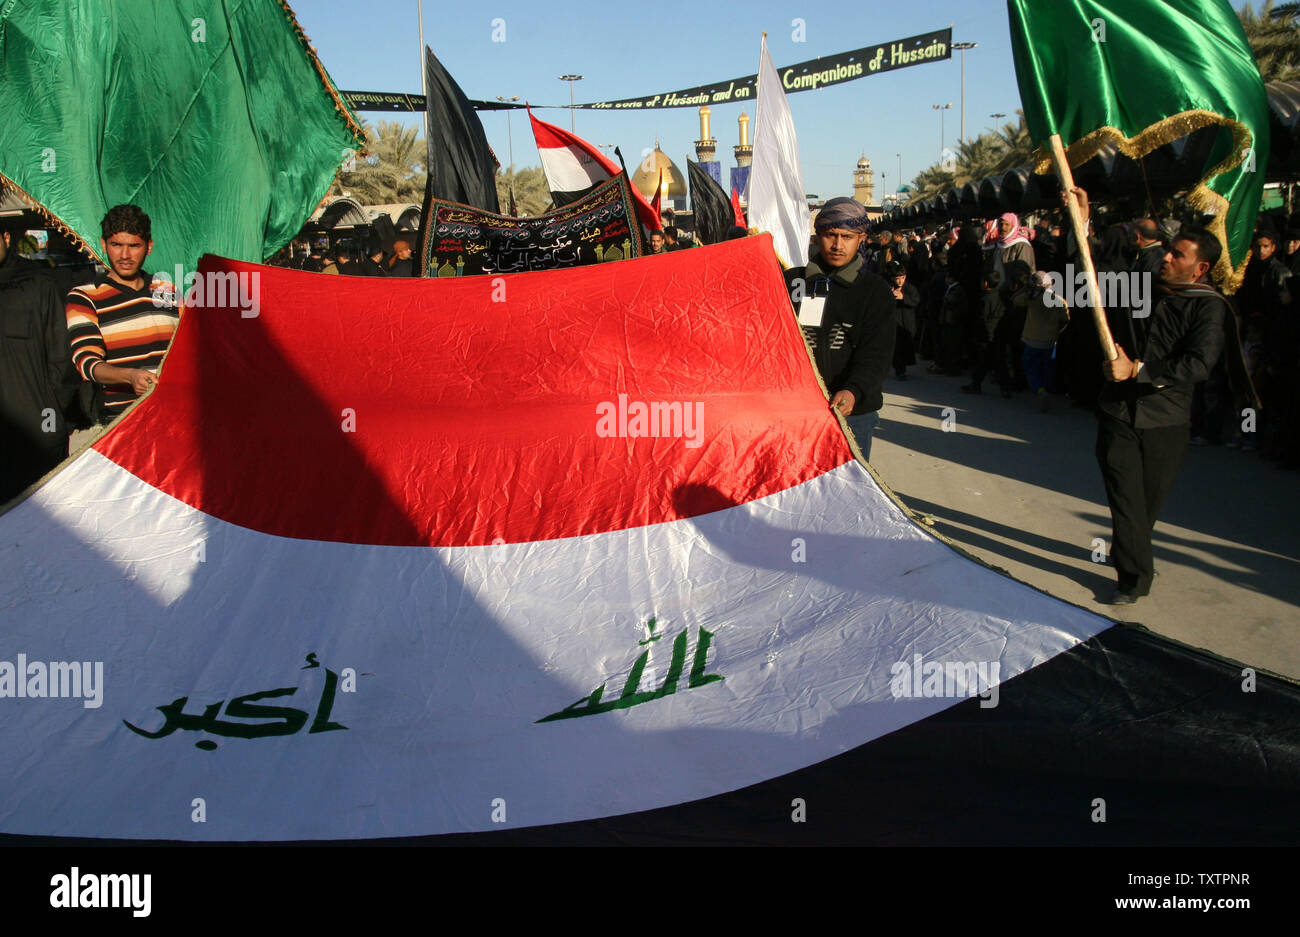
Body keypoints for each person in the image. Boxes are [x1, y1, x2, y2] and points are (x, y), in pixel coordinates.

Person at [1069, 187, 1227, 605]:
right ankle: (1134, 579)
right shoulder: (1142, 286)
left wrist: (1138, 370)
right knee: (1125, 497)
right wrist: (1082, 224)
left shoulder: (1208, 307)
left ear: (1201, 268)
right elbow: (1095, 276)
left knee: (1145, 505)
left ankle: (1131, 551)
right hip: (1118, 412)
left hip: (1166, 420)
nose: (1168, 258)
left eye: (1179, 256)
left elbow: (1198, 364)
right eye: (1169, 250)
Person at [784, 197, 895, 459]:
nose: (837, 245)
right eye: (830, 235)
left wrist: (854, 390)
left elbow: (877, 354)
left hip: (853, 414)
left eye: (847, 236)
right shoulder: (792, 282)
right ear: (817, 236)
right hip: (797, 412)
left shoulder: (874, 291)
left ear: (861, 238)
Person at [65, 204, 179, 425]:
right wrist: (129, 376)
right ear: (104, 245)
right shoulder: (84, 297)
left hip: (173, 415)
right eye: (116, 245)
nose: (125, 255)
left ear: (149, 247)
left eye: (134, 245)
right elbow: (87, 363)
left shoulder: (168, 290)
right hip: (123, 422)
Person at [1, 217, 78, 501]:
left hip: (37, 435)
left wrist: (50, 415)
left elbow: (62, 357)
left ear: (7, 239)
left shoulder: (37, 284)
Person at [885, 261, 919, 380]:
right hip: (892, 321)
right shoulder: (888, 286)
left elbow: (916, 301)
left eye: (902, 278)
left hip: (905, 322)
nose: (900, 281)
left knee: (903, 347)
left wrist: (903, 297)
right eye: (897, 278)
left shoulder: (910, 288)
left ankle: (901, 370)